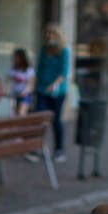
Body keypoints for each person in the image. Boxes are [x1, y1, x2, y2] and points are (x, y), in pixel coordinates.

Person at [32, 24, 71, 163]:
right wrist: (34, 84)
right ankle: (37, 147)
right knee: (39, 118)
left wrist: (54, 85)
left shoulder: (64, 51)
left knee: (56, 120)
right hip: (42, 89)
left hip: (57, 92)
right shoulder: (44, 50)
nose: (50, 37)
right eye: (48, 34)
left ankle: (59, 149)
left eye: (52, 34)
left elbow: (64, 72)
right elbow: (39, 69)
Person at [9, 48, 36, 116]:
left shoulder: (29, 70)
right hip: (15, 94)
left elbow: (31, 84)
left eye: (16, 57)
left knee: (21, 114)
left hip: (25, 95)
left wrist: (24, 92)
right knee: (14, 114)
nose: (14, 59)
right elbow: (8, 81)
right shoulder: (13, 69)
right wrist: (6, 91)